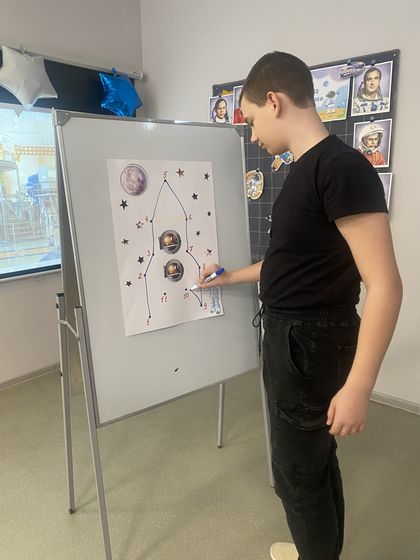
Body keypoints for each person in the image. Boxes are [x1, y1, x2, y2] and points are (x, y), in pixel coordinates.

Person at [197, 52, 402, 560]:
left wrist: (359, 387)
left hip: (308, 340)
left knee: (295, 472)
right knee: (312, 460)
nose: (252, 135)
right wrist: (231, 277)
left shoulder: (341, 168)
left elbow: (386, 285)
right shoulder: (303, 170)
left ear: (275, 101)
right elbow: (291, 260)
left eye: (251, 120)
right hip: (295, 336)